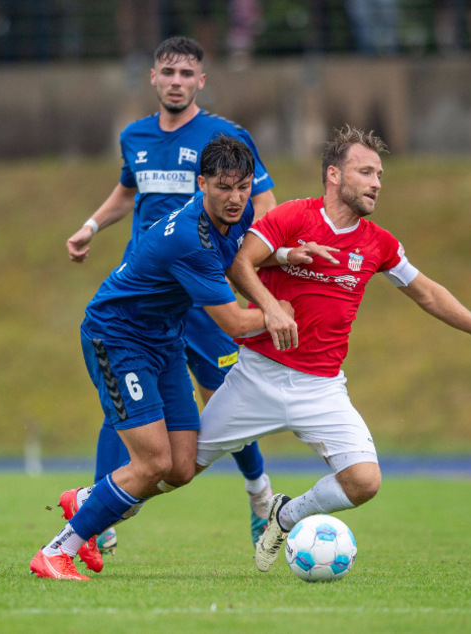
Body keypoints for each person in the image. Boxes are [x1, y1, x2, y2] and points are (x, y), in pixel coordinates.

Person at [199, 124, 471, 572]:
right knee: (175, 469)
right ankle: (89, 509)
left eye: (379, 174)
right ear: (335, 176)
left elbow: (427, 293)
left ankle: (285, 515)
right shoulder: (291, 217)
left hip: (321, 387)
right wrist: (272, 310)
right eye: (367, 172)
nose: (378, 182)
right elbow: (240, 264)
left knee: (364, 481)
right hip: (258, 374)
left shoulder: (379, 244)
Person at [30, 135, 295, 581]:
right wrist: (278, 312)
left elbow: (233, 263)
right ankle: (57, 551)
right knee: (152, 462)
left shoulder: (238, 214)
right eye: (224, 187)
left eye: (244, 186)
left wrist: (282, 262)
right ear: (201, 183)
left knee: (182, 466)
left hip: (163, 340)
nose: (235, 199)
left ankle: (88, 499)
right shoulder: (189, 238)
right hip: (117, 337)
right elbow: (232, 323)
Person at [65, 35, 278, 556]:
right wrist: (93, 225)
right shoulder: (135, 136)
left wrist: (273, 271)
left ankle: (258, 495)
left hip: (202, 293)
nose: (177, 82)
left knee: (223, 395)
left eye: (187, 74)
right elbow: (128, 191)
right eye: (168, 72)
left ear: (201, 80)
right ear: (154, 78)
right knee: (133, 411)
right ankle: (98, 516)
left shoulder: (226, 137)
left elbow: (266, 214)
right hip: (149, 292)